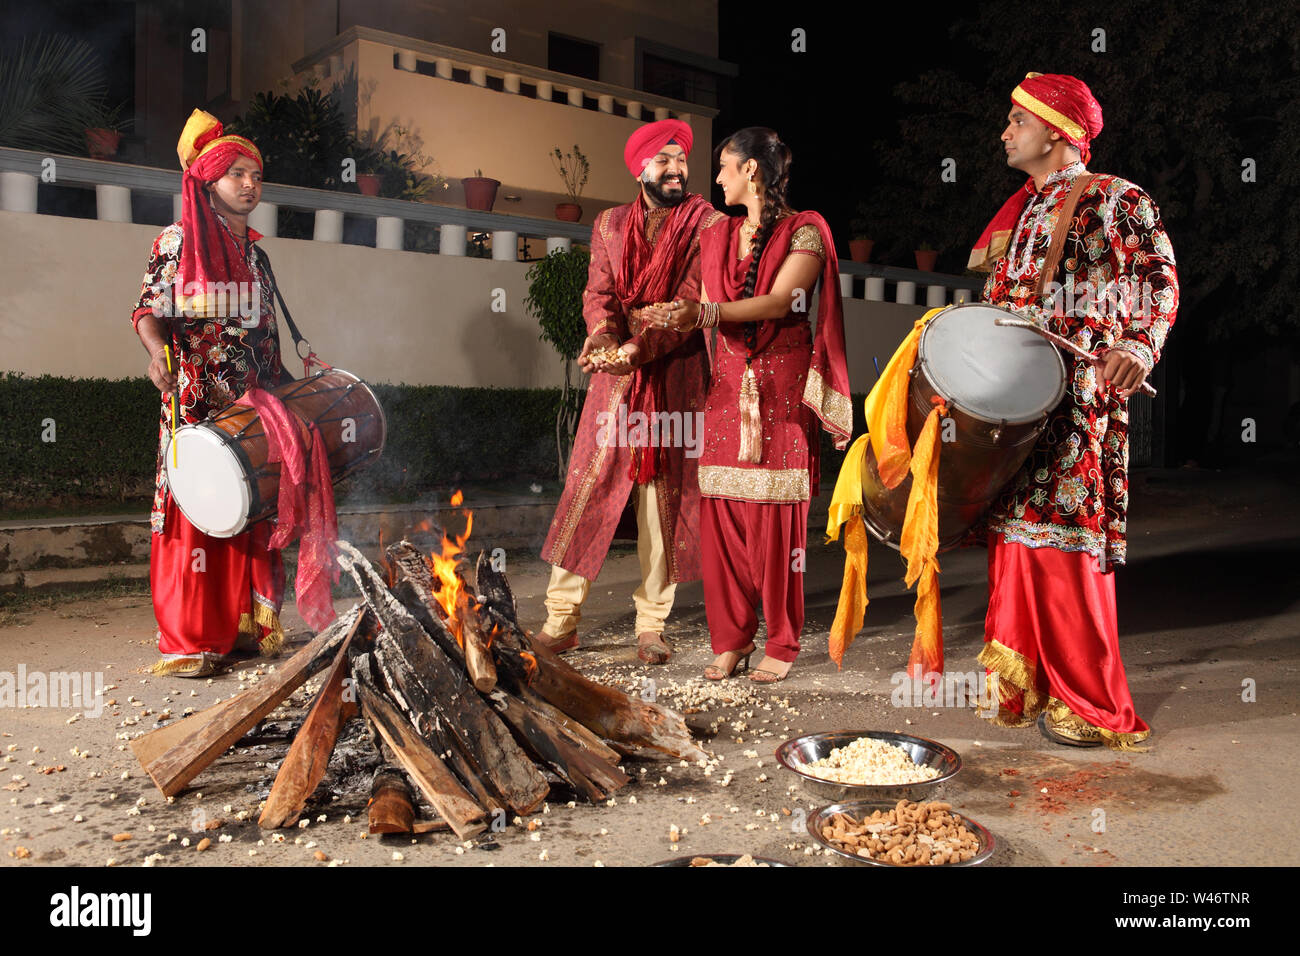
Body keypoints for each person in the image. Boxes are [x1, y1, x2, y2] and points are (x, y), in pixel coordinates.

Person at [970, 73, 1179, 748]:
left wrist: (1138, 346)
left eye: (1016, 120)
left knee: (1063, 540)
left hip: (1079, 398)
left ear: (1057, 132)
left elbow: (1159, 276)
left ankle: (1090, 701)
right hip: (1017, 405)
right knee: (1018, 536)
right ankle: (1027, 680)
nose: (1006, 131)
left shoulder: (1118, 197)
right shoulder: (1021, 213)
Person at [649, 127, 852, 683]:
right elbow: (695, 297)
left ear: (752, 171)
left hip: (780, 390)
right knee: (723, 523)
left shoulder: (806, 229)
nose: (716, 178)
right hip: (727, 391)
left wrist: (705, 315)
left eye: (723, 166)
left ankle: (781, 642)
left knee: (776, 526)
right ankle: (731, 639)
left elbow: (786, 299)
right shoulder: (719, 237)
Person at [538, 119, 724, 664]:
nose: (676, 169)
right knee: (586, 488)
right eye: (663, 160)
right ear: (639, 167)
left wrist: (636, 351)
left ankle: (651, 624)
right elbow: (600, 293)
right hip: (615, 379)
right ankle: (561, 619)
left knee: (661, 499)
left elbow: (691, 299)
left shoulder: (704, 222)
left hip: (675, 370)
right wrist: (603, 336)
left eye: (681, 160)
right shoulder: (609, 224)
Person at [131, 109, 287, 677]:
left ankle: (241, 628)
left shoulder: (256, 254)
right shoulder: (176, 240)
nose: (250, 185)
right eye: (236, 174)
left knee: (248, 506)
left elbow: (266, 332)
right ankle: (192, 639)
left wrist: (288, 389)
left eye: (256, 175)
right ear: (208, 181)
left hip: (252, 403)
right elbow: (149, 311)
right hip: (194, 402)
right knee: (197, 508)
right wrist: (155, 353)